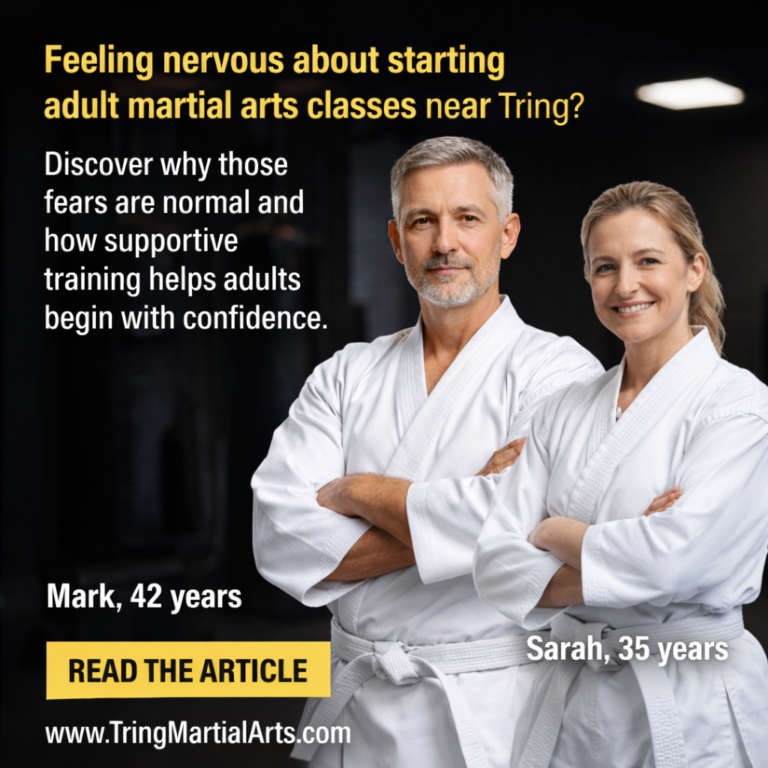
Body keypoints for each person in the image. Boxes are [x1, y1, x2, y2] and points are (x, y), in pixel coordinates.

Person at [251, 136, 603, 767]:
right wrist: (482, 519)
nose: (445, 243)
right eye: (423, 221)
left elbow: (542, 528)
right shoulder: (345, 375)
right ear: (396, 241)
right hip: (357, 708)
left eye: (468, 218)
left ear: (508, 233)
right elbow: (279, 538)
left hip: (494, 709)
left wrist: (360, 492)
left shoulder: (559, 371)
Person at [474, 181, 768, 768]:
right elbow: (494, 567)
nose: (625, 285)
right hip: (573, 695)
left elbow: (671, 560)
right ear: (588, 279)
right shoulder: (564, 407)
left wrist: (554, 533)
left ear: (694, 269)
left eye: (648, 261)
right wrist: (630, 552)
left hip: (692, 698)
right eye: (604, 267)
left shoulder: (740, 405)